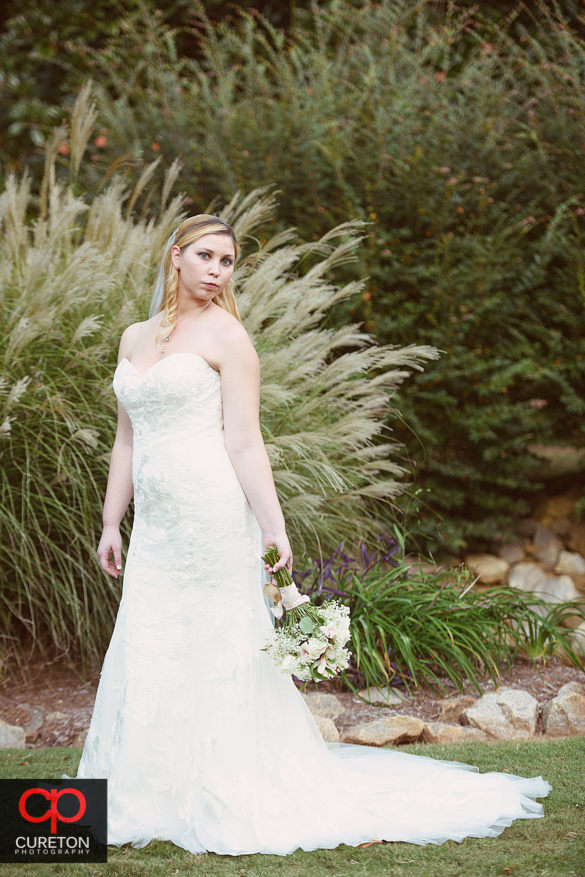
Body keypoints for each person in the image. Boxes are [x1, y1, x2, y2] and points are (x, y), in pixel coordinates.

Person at [75, 214, 551, 856]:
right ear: (175, 256)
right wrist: (111, 520)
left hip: (212, 511)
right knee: (151, 636)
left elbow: (245, 441)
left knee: (221, 642)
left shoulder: (230, 337)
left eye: (228, 261)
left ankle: (224, 787)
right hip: (157, 525)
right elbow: (126, 435)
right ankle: (149, 788)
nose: (217, 271)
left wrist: (274, 530)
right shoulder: (134, 338)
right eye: (207, 257)